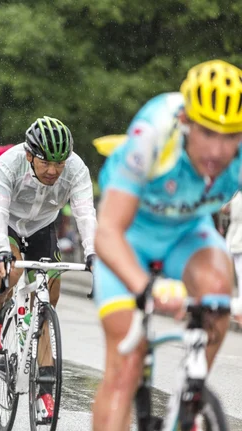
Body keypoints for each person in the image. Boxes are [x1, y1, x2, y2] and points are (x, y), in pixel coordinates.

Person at [92, 59, 242, 430]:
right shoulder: (156, 129)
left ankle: (188, 398)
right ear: (187, 121)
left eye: (231, 135)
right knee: (125, 367)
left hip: (186, 234)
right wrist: (147, 288)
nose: (218, 150)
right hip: (129, 237)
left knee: (219, 292)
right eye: (208, 132)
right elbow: (107, 231)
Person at [0, 116, 97, 417]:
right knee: (14, 271)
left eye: (60, 163)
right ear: (30, 155)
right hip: (8, 223)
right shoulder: (8, 165)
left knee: (49, 296)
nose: (53, 170)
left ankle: (45, 391)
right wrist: (2, 252)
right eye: (46, 162)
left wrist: (93, 252)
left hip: (42, 227)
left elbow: (85, 213)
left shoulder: (76, 169)